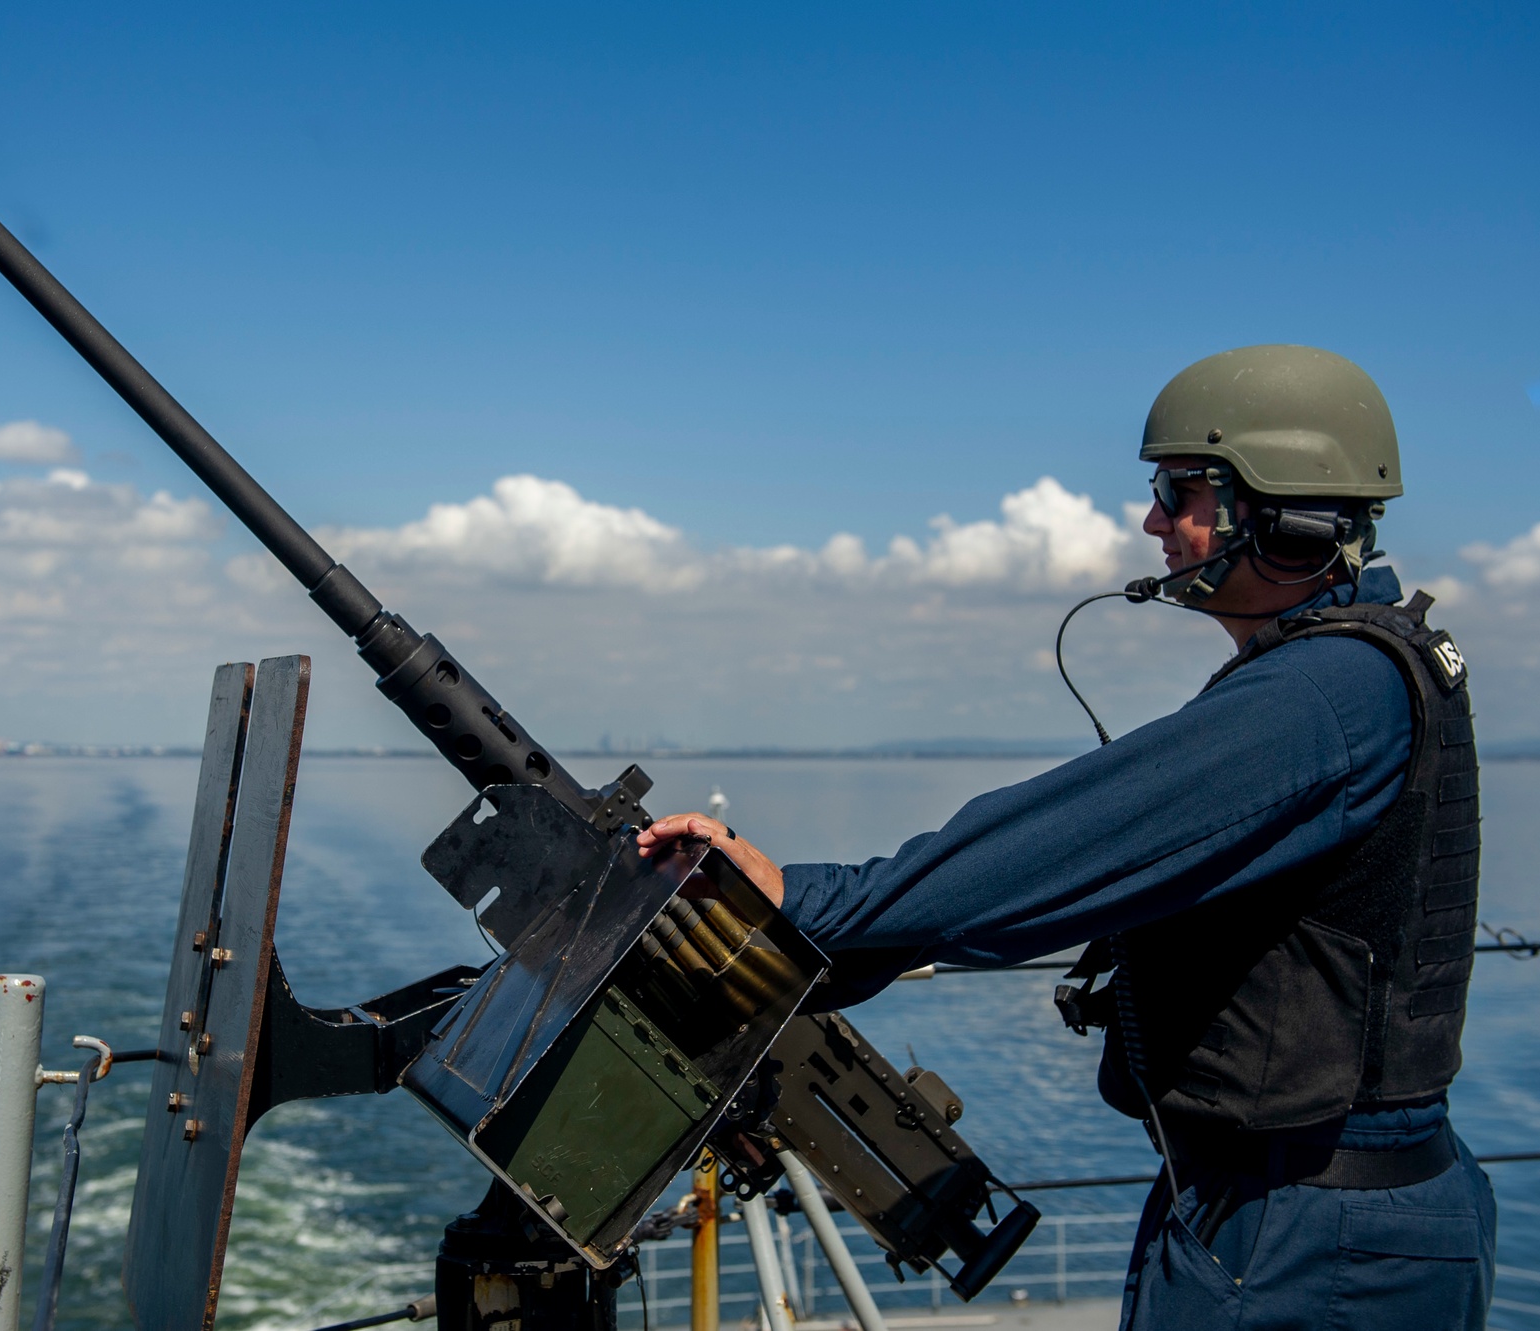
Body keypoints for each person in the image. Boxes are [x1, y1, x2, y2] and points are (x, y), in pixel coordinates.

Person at [639, 345, 1495, 1330]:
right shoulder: (1345, 670)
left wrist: (800, 898)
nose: (1150, 523)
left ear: (1279, 513)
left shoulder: (1322, 694)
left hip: (1308, 1233)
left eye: (1178, 491)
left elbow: (1064, 844)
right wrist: (837, 950)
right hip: (1288, 1202)